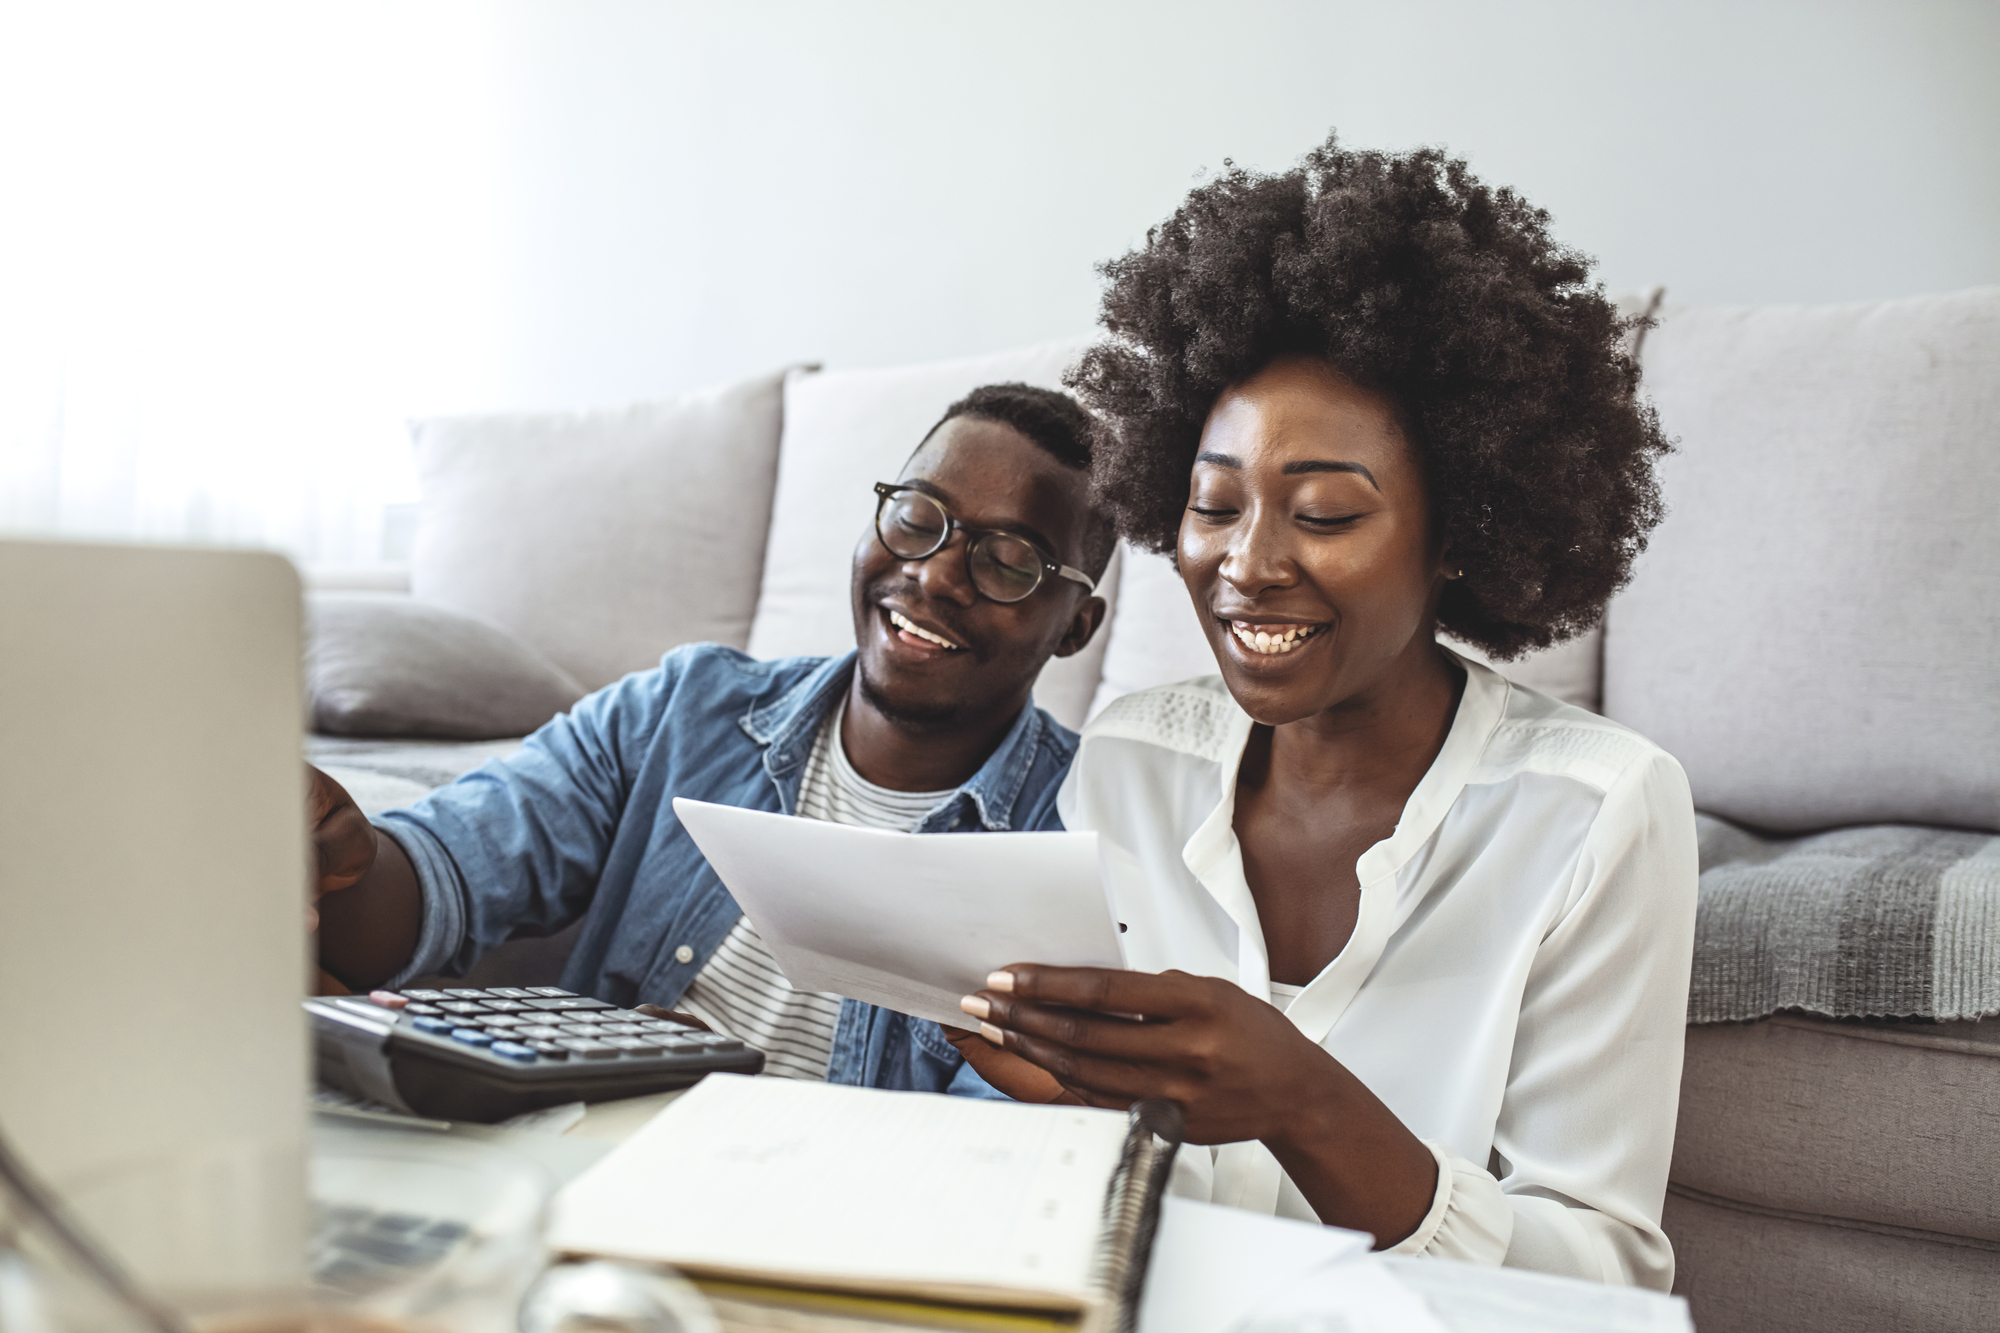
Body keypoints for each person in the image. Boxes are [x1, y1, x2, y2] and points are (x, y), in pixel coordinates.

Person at [948, 137, 1696, 1289]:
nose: (1245, 565)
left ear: (1458, 533)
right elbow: (1115, 1170)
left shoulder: (1596, 810)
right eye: (1212, 504)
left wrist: (1304, 1100)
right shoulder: (1131, 756)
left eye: (1325, 514)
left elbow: (1598, 1272)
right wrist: (1073, 1089)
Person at [311, 381, 1114, 1093]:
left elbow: (1009, 1152)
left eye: (1008, 562)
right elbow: (443, 874)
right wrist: (342, 859)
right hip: (587, 1165)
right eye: (916, 517)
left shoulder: (1086, 835)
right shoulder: (680, 711)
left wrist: (725, 1098)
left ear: (1075, 626)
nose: (935, 574)